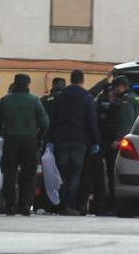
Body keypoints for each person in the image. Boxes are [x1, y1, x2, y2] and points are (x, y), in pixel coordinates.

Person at [0, 74, 48, 216]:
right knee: (29, 174)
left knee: (9, 173)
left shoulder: (5, 100)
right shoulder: (34, 101)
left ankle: (10, 206)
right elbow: (44, 122)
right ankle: (25, 205)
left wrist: (4, 134)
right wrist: (39, 137)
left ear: (15, 84)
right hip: (30, 141)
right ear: (28, 84)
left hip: (11, 140)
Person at [47, 69, 100, 216]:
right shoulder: (86, 96)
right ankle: (71, 205)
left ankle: (62, 205)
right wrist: (95, 141)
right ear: (82, 80)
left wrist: (50, 140)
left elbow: (52, 119)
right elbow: (91, 120)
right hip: (80, 141)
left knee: (62, 173)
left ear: (70, 79)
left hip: (61, 140)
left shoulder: (60, 96)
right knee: (75, 174)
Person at [81, 83, 120, 216]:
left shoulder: (120, 103)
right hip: (101, 141)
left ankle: (110, 204)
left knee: (111, 173)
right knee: (96, 175)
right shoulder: (99, 103)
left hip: (111, 142)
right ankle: (98, 205)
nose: (111, 94)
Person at [113, 76, 139, 149]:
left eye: (115, 88)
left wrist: (121, 139)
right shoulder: (136, 97)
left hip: (129, 136)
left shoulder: (126, 99)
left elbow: (126, 121)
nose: (114, 91)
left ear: (121, 87)